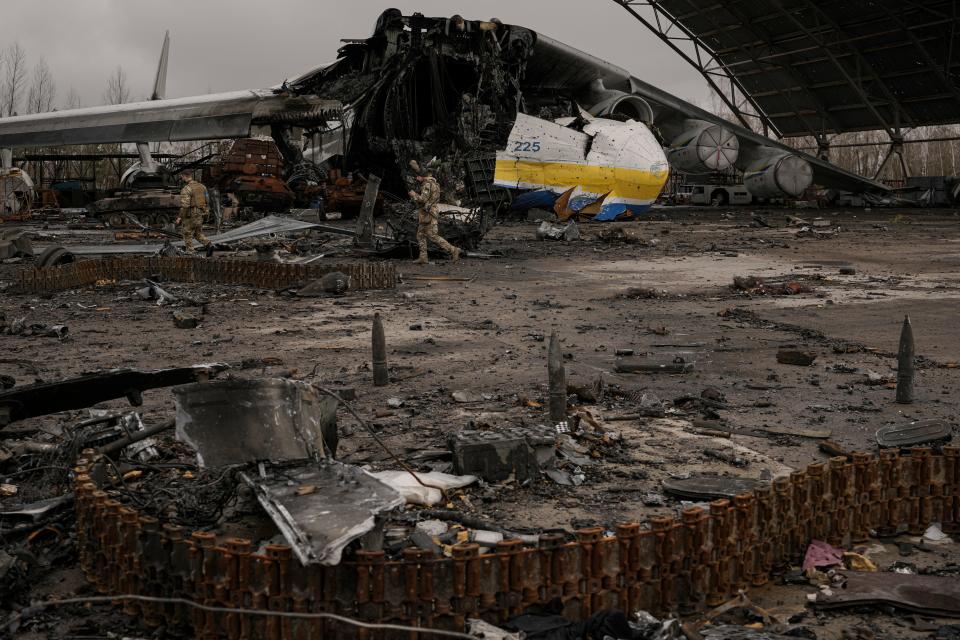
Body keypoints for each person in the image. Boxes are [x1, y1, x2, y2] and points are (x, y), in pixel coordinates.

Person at [408, 167, 460, 265]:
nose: (417, 178)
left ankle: (454, 250)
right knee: (420, 235)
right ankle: (423, 257)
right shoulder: (434, 183)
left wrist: (414, 195)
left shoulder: (427, 184)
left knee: (433, 236)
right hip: (426, 214)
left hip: (429, 214)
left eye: (419, 176)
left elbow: (423, 199)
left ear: (423, 176)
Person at [176, 171, 211, 252]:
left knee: (187, 233)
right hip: (201, 213)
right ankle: (208, 244)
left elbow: (185, 206)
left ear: (184, 176)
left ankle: (190, 252)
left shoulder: (186, 189)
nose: (182, 178)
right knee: (197, 233)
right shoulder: (202, 187)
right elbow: (207, 199)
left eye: (182, 177)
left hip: (191, 214)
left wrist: (180, 217)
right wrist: (206, 211)